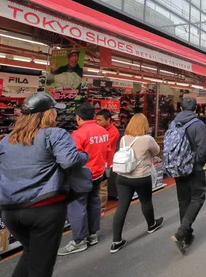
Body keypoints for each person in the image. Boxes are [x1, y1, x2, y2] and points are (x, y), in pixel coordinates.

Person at [0, 93, 88, 277]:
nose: (55, 114)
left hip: (10, 211)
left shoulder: (6, 140)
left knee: (30, 252)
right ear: (47, 114)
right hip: (43, 210)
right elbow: (69, 161)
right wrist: (84, 156)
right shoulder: (55, 134)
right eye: (53, 110)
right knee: (41, 268)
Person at [59, 103, 110, 255]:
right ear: (94, 116)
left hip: (82, 175)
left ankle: (79, 240)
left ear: (78, 117)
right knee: (93, 202)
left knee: (77, 206)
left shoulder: (78, 134)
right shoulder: (102, 130)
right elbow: (106, 150)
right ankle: (93, 234)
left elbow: (73, 158)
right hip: (98, 172)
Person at [110, 114, 163, 254]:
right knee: (145, 201)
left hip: (122, 176)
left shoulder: (123, 139)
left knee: (122, 207)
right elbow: (157, 151)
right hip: (141, 177)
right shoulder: (147, 139)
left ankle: (116, 241)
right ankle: (151, 225)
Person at [171, 97, 206, 255]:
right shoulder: (198, 124)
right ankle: (181, 233)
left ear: (180, 109)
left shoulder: (173, 123)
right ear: (196, 108)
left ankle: (187, 236)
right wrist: (199, 164)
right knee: (198, 198)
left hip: (177, 167)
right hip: (193, 167)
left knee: (183, 201)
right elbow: (203, 150)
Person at [95, 109, 120, 216]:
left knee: (102, 186)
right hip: (96, 161)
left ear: (108, 120)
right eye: (96, 120)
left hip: (105, 162)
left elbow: (104, 145)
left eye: (100, 120)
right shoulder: (98, 129)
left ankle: (101, 209)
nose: (97, 122)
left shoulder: (114, 132)